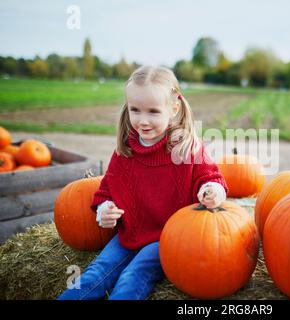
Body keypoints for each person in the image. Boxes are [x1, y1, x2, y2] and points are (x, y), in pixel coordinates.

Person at [58, 66, 228, 300]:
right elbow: (105, 192)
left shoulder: (186, 148)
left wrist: (211, 191)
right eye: (135, 110)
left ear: (173, 109)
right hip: (130, 233)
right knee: (94, 274)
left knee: (133, 276)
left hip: (168, 238)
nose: (143, 120)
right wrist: (104, 210)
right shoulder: (124, 152)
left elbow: (211, 178)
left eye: (153, 112)